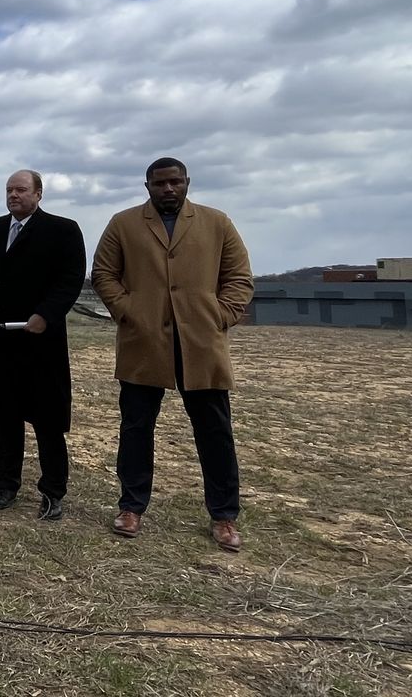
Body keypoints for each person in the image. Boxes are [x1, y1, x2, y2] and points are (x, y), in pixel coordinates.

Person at [91, 157, 254, 551]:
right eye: (160, 183)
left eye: (175, 182)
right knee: (136, 429)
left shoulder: (217, 223)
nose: (168, 189)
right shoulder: (123, 224)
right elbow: (103, 274)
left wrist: (220, 316)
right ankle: (131, 507)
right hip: (144, 344)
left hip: (201, 345)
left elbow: (239, 277)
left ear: (187, 183)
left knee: (215, 433)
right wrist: (128, 312)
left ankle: (224, 516)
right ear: (147, 185)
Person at [0, 169, 86, 519]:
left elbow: (70, 279)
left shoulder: (62, 230)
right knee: (6, 417)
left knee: (48, 420)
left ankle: (52, 491)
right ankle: (6, 485)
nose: (13, 195)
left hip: (42, 341)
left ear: (38, 193)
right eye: (9, 190)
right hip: (1, 341)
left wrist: (45, 315)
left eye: (21, 189)